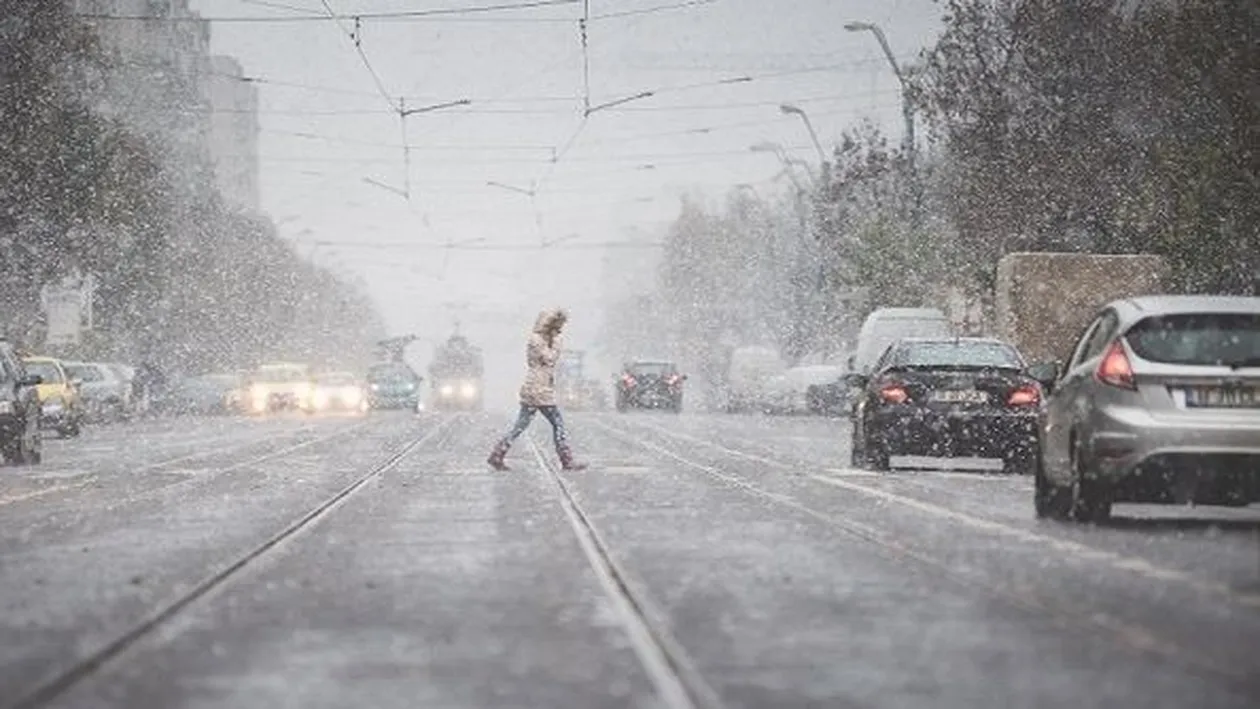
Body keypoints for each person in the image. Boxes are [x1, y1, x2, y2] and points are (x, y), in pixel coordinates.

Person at [487, 308, 587, 471]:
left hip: (538, 387)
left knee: (521, 424)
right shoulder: (537, 340)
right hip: (538, 388)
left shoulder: (542, 339)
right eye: (556, 327)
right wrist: (557, 344)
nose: (558, 331)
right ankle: (566, 459)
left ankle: (498, 454)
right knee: (557, 422)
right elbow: (549, 358)